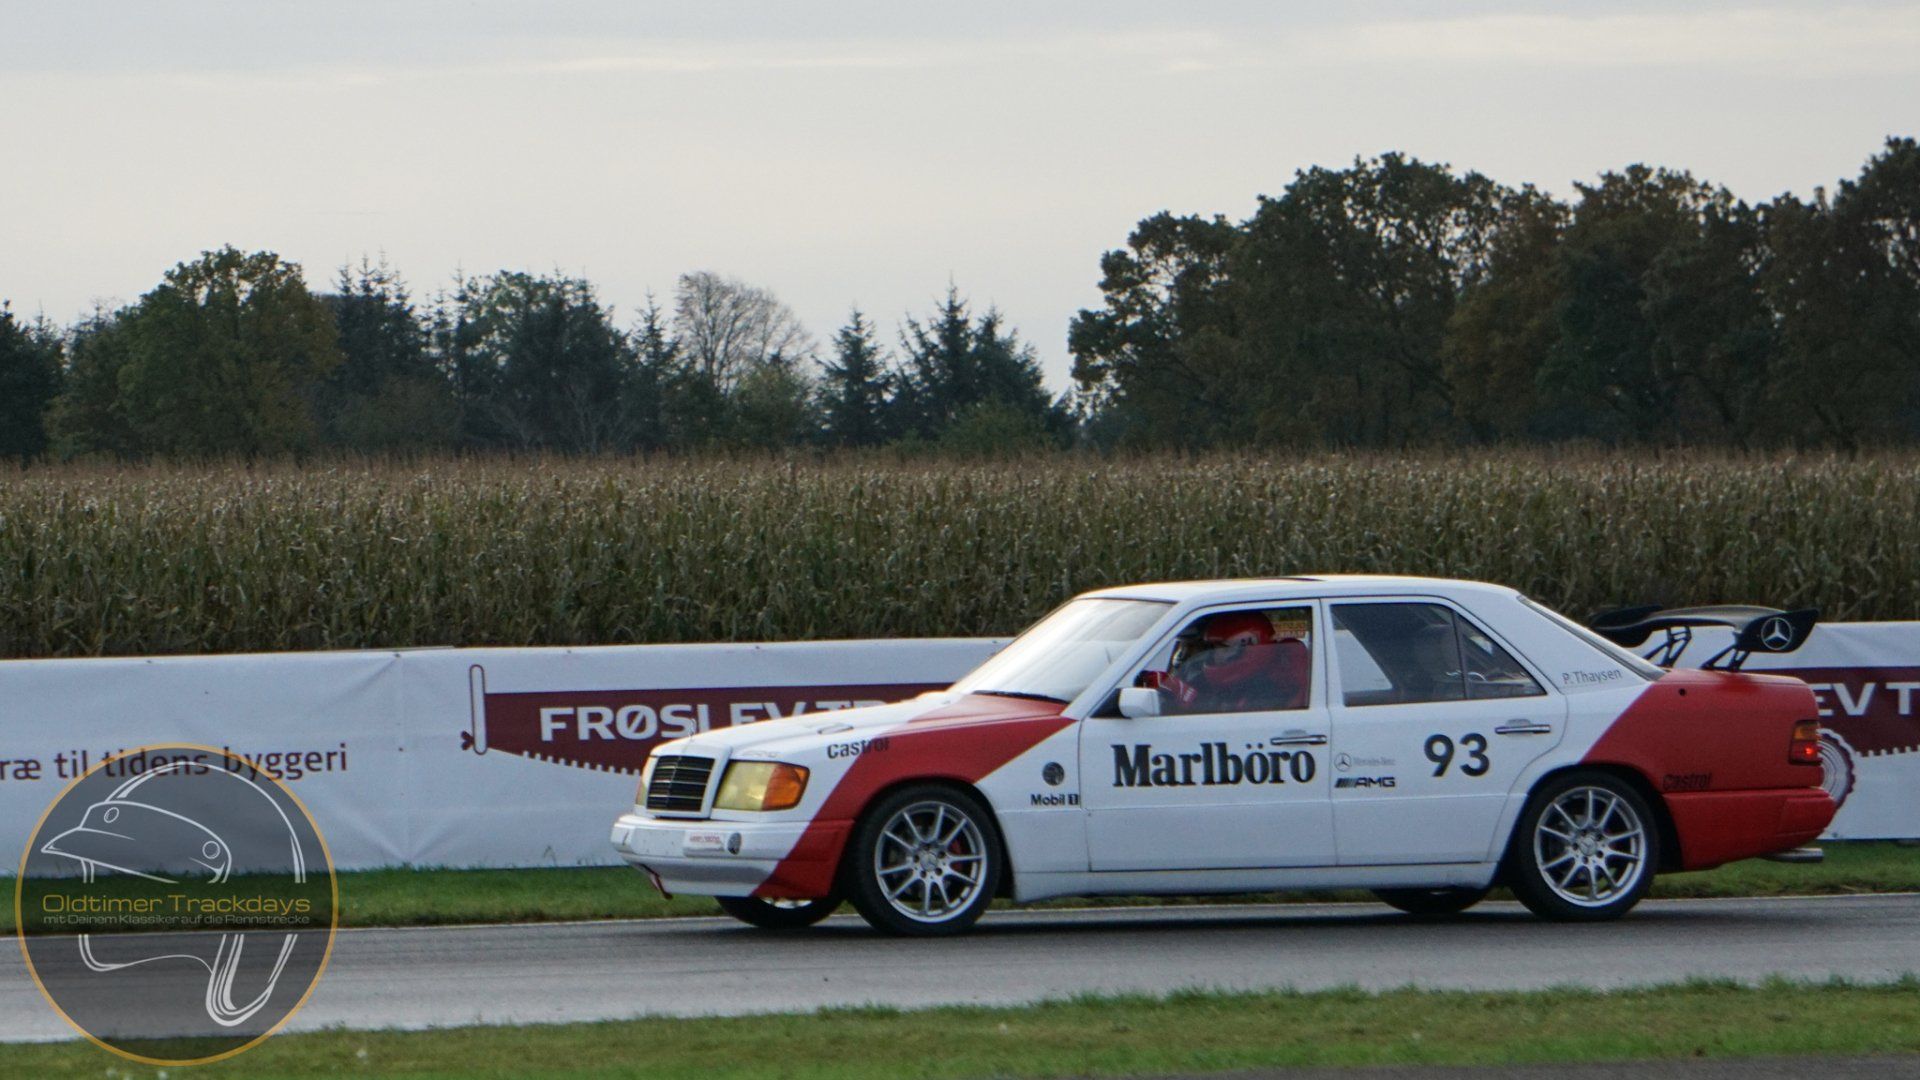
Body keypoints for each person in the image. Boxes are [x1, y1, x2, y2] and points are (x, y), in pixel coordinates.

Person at [1149, 611, 1309, 713]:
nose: (1213, 657)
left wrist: (1186, 698)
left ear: (1249, 648)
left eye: (1222, 649)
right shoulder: (1217, 679)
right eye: (1212, 649)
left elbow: (1225, 722)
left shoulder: (1270, 688)